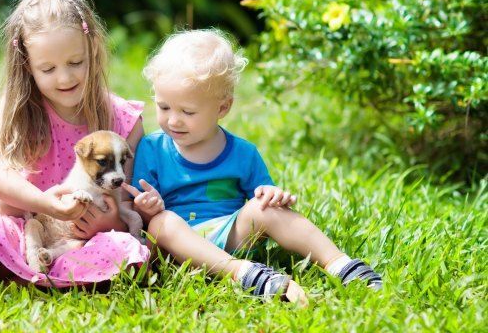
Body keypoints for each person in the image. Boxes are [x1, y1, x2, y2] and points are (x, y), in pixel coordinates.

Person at [130, 29, 383, 304]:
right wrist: (146, 207)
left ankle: (340, 264)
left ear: (223, 108)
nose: (173, 120)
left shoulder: (243, 153)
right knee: (161, 223)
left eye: (187, 112)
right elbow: (138, 213)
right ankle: (242, 273)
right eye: (164, 107)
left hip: (231, 235)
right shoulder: (152, 149)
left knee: (266, 208)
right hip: (179, 248)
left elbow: (262, 191)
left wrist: (272, 195)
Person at [0, 0, 149, 287]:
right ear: (27, 66)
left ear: (92, 48)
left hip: (88, 236)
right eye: (48, 68)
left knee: (126, 252)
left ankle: (42, 269)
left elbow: (124, 198)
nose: (65, 77)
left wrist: (111, 222)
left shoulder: (123, 120)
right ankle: (50, 268)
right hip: (27, 223)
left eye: (75, 63)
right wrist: (47, 206)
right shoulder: (19, 108)